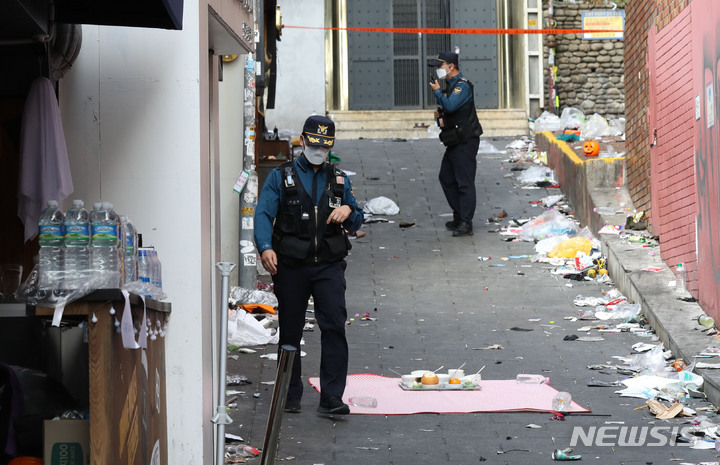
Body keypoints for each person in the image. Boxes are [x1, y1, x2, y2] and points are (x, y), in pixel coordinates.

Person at [255, 115, 364, 415]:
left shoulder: (340, 180)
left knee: (333, 327)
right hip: (291, 265)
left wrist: (347, 210)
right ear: (302, 141)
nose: (318, 149)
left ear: (331, 145)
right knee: (290, 331)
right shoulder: (281, 176)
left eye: (324, 144)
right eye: (313, 143)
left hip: (328, 264)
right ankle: (289, 394)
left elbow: (357, 219)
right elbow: (263, 214)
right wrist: (265, 248)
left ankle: (331, 396)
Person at [428, 51, 483, 237]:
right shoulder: (450, 86)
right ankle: (459, 216)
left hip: (465, 141)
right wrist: (440, 117)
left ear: (451, 67)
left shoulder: (462, 86)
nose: (438, 71)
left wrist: (436, 92)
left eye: (440, 67)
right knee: (446, 177)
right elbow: (449, 113)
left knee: (464, 182)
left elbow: (451, 106)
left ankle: (466, 223)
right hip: (454, 141)